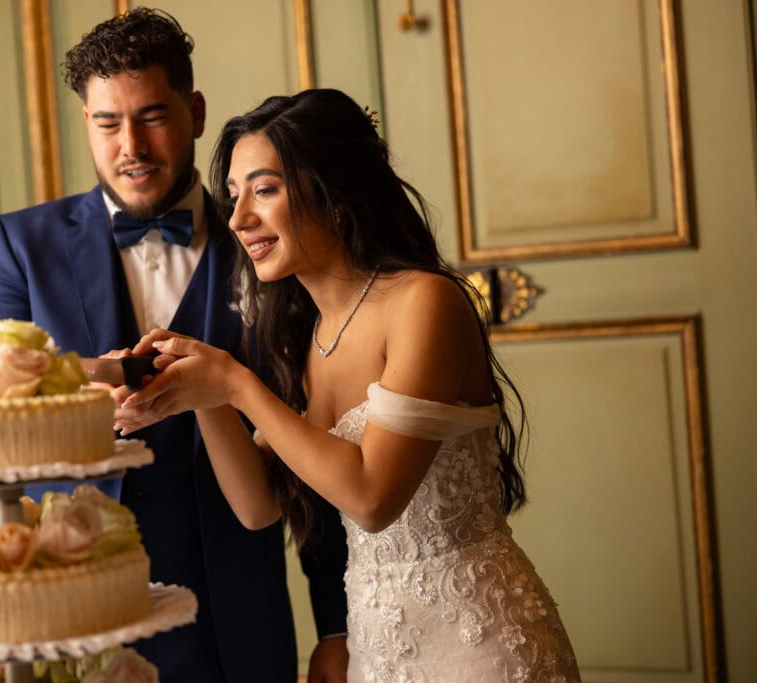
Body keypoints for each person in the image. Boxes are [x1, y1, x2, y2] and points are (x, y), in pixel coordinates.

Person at [114, 88, 582, 681]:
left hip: (477, 645)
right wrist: (201, 395)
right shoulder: (308, 335)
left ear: (333, 191)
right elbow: (257, 507)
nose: (237, 219)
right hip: (378, 649)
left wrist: (235, 384)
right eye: (233, 196)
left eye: (264, 190)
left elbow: (371, 497)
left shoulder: (424, 302)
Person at [0, 9, 349, 682]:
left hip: (233, 619)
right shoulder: (20, 246)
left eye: (152, 116)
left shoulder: (273, 244)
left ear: (195, 112)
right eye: (107, 123)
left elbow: (327, 441)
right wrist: (83, 386)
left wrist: (337, 623)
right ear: (85, 122)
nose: (131, 145)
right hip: (67, 615)